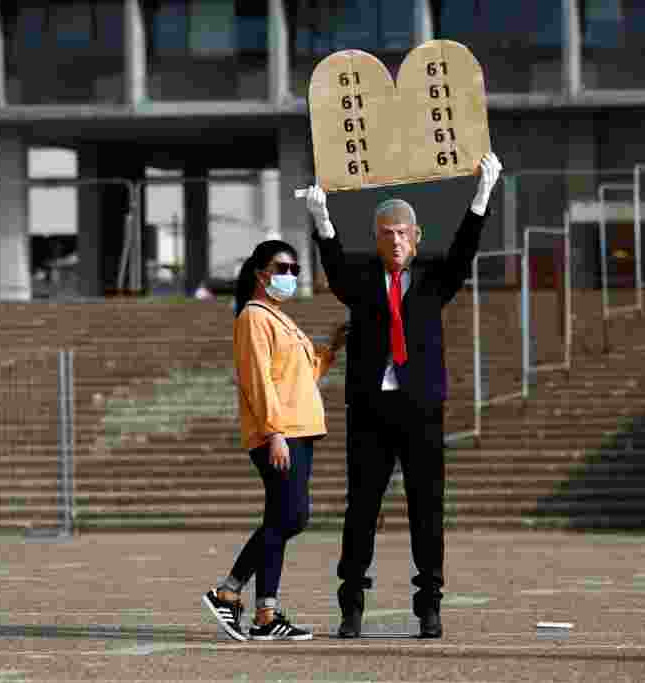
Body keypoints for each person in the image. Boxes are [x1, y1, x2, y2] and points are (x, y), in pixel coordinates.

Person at [302, 152, 502, 639]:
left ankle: (429, 604)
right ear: (376, 239)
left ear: (417, 239)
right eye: (387, 233)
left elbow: (464, 251)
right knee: (361, 509)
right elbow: (333, 264)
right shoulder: (362, 282)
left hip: (421, 411)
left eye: (403, 233)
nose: (395, 240)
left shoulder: (435, 282)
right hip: (371, 411)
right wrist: (321, 217)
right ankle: (352, 605)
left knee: (427, 508)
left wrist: (482, 194)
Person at [201, 240, 348, 642]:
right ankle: (227, 591)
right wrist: (274, 432)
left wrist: (332, 348)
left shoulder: (280, 318)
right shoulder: (254, 317)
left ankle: (266, 614)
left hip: (298, 430)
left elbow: (300, 376)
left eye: (295, 269)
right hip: (281, 433)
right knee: (291, 517)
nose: (290, 276)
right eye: (282, 267)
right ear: (259, 273)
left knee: (281, 519)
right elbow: (257, 379)